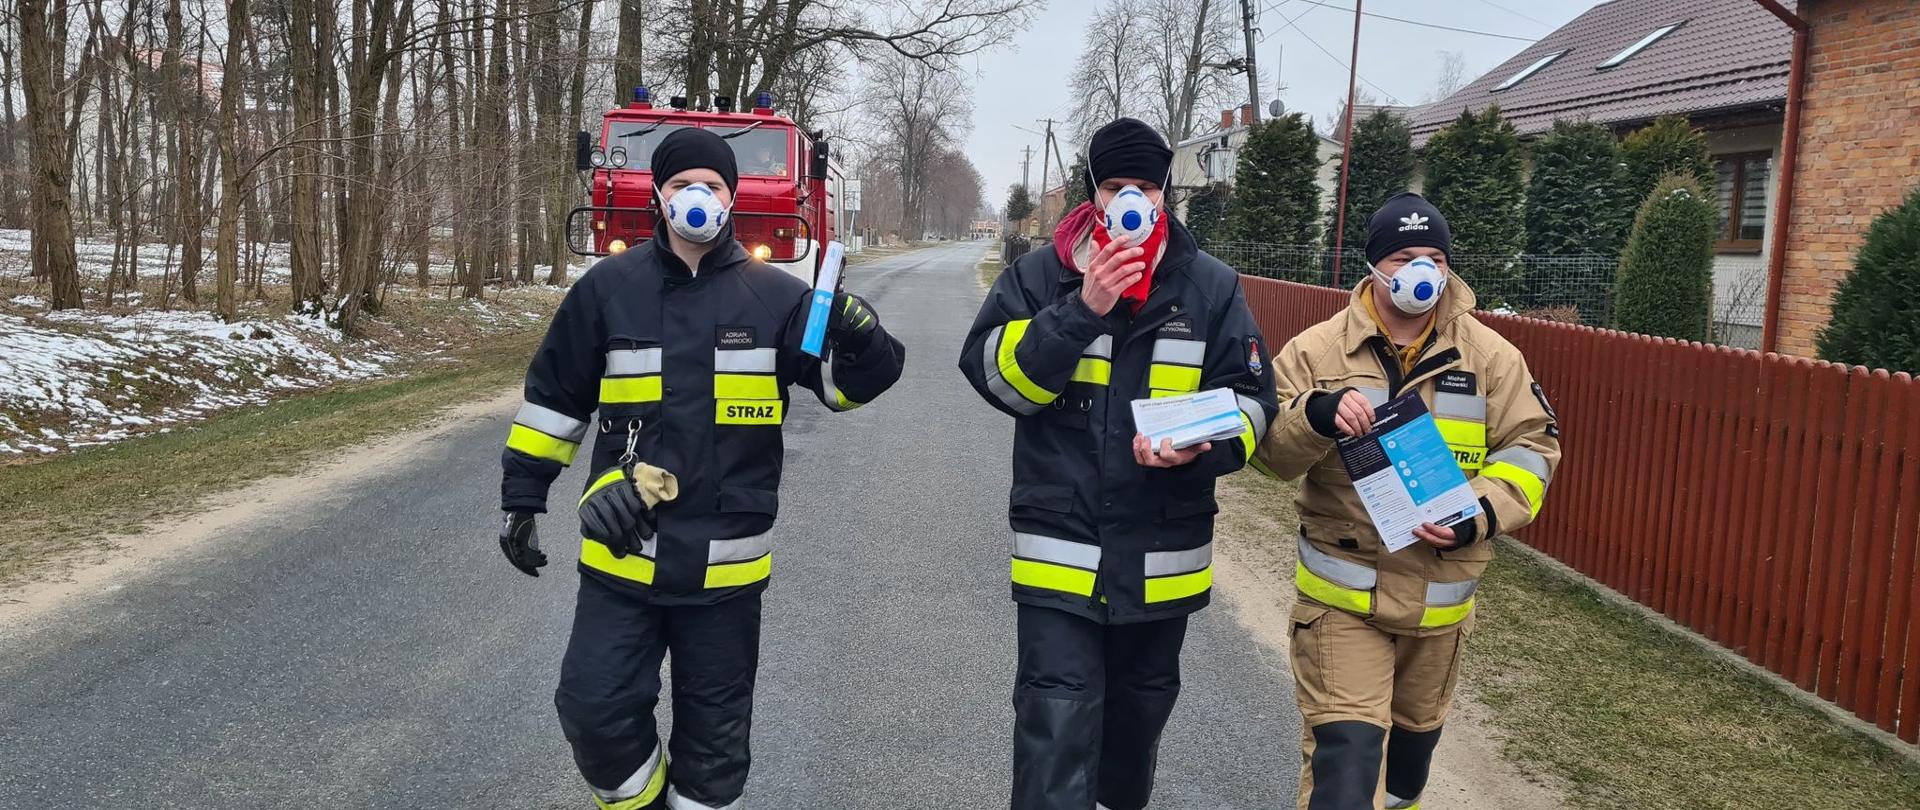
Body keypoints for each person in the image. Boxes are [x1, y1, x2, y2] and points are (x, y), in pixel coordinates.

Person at [495, 127, 905, 810]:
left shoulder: (776, 297)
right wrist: (522, 499)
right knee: (592, 711)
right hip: (623, 562)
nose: (697, 197)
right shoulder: (607, 291)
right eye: (683, 184)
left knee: (715, 752)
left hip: (725, 577)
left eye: (711, 186)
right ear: (659, 194)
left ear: (732, 197)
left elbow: (844, 389)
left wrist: (866, 338)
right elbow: (554, 400)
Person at [959, 117, 1279, 810]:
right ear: (1094, 195)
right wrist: (1082, 310)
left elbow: (1254, 402)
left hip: (1162, 559)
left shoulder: (1210, 288)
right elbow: (995, 379)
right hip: (1059, 555)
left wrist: (1204, 446)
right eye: (1115, 186)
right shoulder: (1041, 277)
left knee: (1130, 744)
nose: (1131, 199)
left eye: (1145, 187)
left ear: (1165, 193)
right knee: (1053, 733)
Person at [1253, 192, 1560, 810]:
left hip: (1439, 613)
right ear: (1372, 266)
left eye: (1433, 256)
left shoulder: (1493, 359)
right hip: (1343, 606)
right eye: (1401, 256)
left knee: (1403, 782)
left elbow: (1532, 449)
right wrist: (1316, 415)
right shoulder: (1316, 352)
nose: (1420, 270)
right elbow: (1269, 458)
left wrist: (1482, 512)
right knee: (1346, 765)